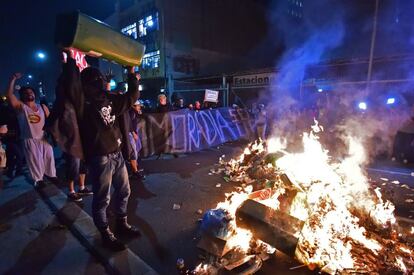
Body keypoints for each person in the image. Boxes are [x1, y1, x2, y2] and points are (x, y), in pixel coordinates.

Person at [79, 64, 141, 251]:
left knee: (124, 191)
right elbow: (68, 87)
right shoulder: (83, 103)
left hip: (117, 154)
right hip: (100, 157)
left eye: (101, 80)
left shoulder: (109, 99)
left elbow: (131, 97)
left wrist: (131, 74)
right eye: (96, 80)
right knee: (102, 199)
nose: (100, 83)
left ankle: (121, 223)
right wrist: (69, 61)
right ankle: (105, 233)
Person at [6, 73, 56, 187]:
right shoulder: (21, 107)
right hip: (29, 139)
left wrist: (54, 133)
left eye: (31, 92)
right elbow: (9, 95)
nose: (29, 94)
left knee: (49, 158)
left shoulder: (42, 107)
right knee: (34, 161)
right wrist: (13, 78)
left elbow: (51, 120)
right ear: (22, 96)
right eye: (26, 93)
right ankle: (38, 180)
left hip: (44, 138)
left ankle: (51, 175)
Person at [128, 100, 144, 179]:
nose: (139, 107)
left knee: (137, 149)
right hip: (130, 134)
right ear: (134, 106)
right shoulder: (131, 113)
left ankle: (136, 168)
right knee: (133, 151)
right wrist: (133, 133)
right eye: (138, 105)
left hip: (133, 133)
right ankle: (135, 171)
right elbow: (128, 123)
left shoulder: (134, 112)